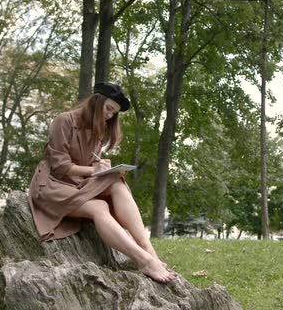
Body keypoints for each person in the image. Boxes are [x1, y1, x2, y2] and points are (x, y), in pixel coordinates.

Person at [28, 81, 176, 283]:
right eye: (108, 109)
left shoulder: (98, 129)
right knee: (99, 207)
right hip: (52, 186)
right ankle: (143, 261)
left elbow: (89, 166)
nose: (110, 115)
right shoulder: (63, 121)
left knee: (116, 181)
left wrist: (101, 167)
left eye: (114, 113)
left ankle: (149, 251)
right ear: (96, 102)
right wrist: (93, 169)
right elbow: (60, 167)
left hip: (77, 185)